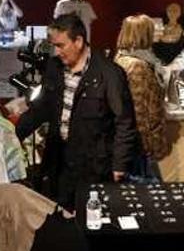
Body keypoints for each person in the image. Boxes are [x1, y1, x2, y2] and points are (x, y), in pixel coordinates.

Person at [15, 13, 140, 210]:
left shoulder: (109, 74)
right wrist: (13, 133)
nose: (56, 52)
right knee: (61, 221)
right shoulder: (54, 68)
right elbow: (41, 109)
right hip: (60, 161)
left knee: (92, 222)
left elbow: (124, 122)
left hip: (95, 167)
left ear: (79, 41)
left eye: (61, 45)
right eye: (54, 45)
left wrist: (119, 165)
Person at [115, 15, 171, 177]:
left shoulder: (123, 59)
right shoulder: (137, 66)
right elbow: (139, 111)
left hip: (136, 144)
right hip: (141, 146)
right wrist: (150, 146)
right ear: (143, 35)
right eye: (151, 32)